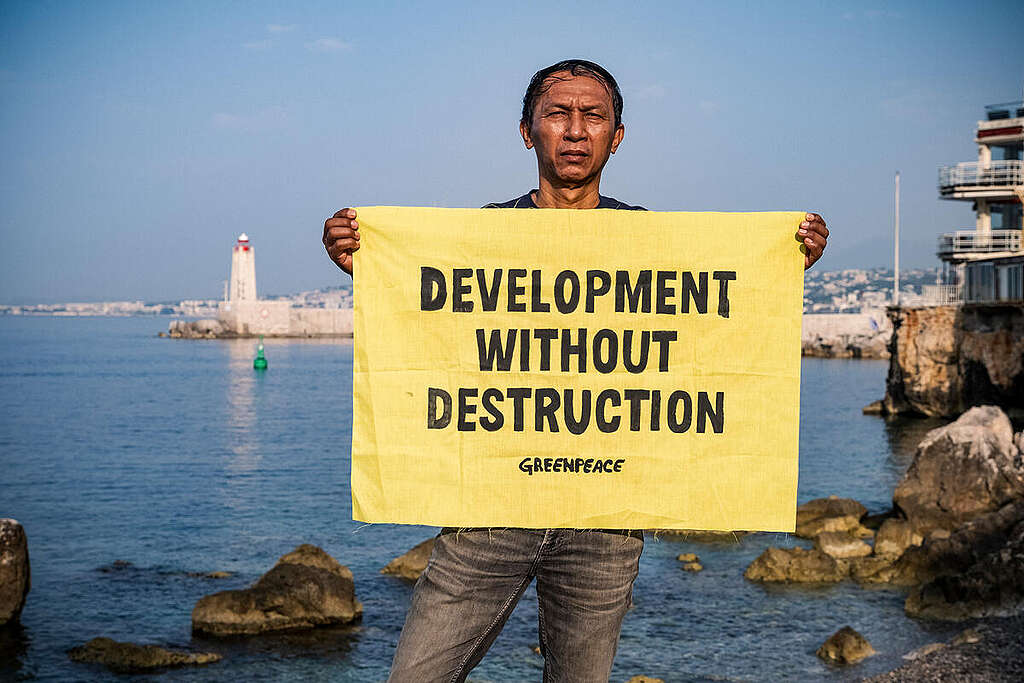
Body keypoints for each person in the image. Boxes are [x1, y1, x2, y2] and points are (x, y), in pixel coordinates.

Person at [323, 59, 829, 682]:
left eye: (593, 116)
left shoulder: (651, 242)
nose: (574, 130)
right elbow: (429, 322)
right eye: (557, 114)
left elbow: (712, 325)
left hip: (604, 525)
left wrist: (781, 264)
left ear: (616, 136)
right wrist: (366, 262)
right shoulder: (480, 235)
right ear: (527, 131)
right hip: (489, 513)